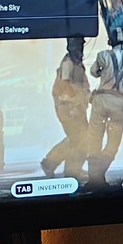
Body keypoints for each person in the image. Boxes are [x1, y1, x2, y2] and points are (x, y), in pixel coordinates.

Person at [87, 30, 123, 186]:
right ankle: (100, 173)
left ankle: (94, 177)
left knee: (94, 139)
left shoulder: (103, 55)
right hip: (119, 102)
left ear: (111, 41)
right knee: (113, 142)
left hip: (101, 99)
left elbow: (94, 72)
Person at [41, 35, 91, 181]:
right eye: (77, 45)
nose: (80, 48)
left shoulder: (76, 63)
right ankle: (52, 162)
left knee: (80, 138)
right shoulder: (68, 62)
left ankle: (71, 169)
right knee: (78, 138)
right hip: (69, 107)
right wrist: (75, 102)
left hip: (75, 106)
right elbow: (65, 84)